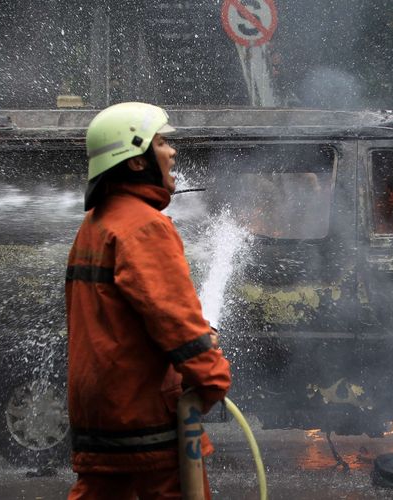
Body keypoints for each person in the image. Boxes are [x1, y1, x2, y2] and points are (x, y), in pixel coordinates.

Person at [66, 102, 231, 499]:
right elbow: (172, 315)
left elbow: (120, 317)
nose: (172, 152)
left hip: (101, 407)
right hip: (142, 406)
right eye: (160, 142)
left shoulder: (96, 224)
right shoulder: (143, 227)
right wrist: (210, 375)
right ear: (137, 162)